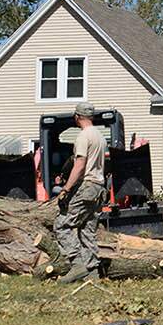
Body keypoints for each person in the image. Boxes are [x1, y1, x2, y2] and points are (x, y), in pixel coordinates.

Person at [52, 102, 107, 284]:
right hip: (99, 188)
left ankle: (77, 265)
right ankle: (93, 273)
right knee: (86, 230)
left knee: (62, 225)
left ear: (77, 117)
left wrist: (66, 189)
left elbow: (80, 164)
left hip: (87, 186)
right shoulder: (99, 136)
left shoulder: (83, 136)